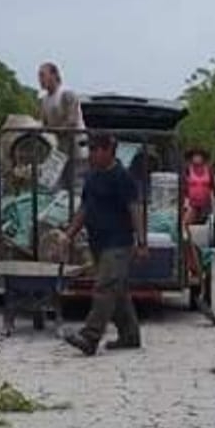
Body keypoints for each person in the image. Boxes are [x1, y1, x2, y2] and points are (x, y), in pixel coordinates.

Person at [62, 132, 147, 355]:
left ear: (109, 150)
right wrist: (68, 235)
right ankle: (130, 336)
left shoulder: (122, 177)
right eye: (89, 149)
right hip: (98, 243)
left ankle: (89, 337)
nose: (91, 154)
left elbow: (134, 209)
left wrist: (142, 242)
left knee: (104, 287)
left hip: (118, 243)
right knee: (117, 292)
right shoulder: (92, 177)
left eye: (95, 149)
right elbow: (85, 209)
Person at [39, 62, 86, 189]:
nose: (40, 80)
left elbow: (72, 122)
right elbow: (42, 125)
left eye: (43, 75)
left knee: (75, 188)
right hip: (58, 151)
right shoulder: (44, 100)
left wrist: (52, 129)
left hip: (75, 150)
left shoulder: (67, 95)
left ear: (54, 75)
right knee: (48, 186)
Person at [183, 148, 215, 224]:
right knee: (187, 223)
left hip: (206, 204)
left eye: (199, 156)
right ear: (191, 158)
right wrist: (185, 203)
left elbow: (213, 186)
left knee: (206, 225)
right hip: (191, 204)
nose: (197, 158)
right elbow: (183, 187)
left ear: (203, 158)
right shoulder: (187, 170)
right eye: (195, 156)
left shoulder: (209, 170)